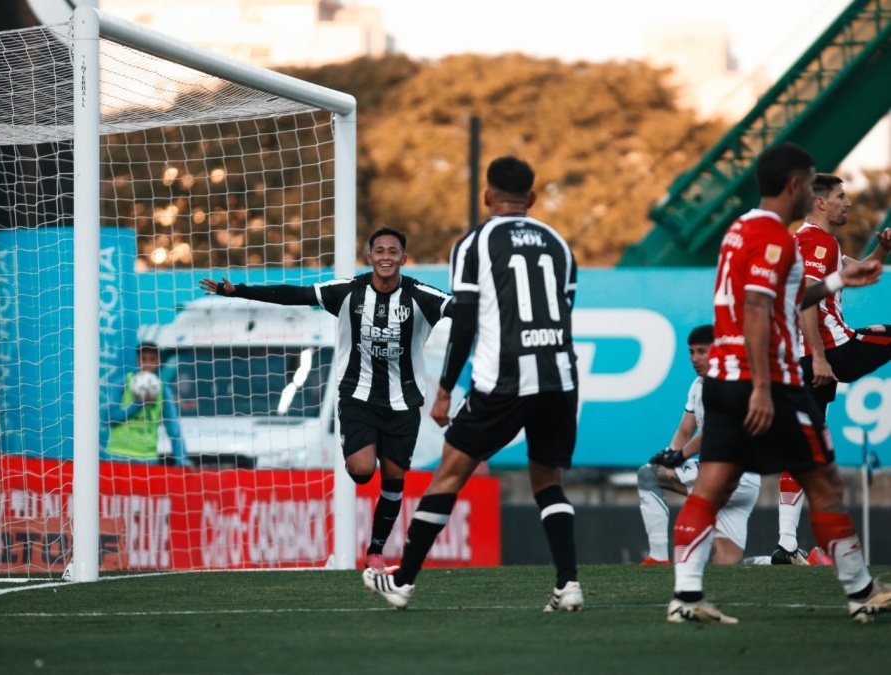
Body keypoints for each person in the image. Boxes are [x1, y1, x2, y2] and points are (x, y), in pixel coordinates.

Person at [667, 141, 890, 625]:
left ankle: (685, 599)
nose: (815, 192)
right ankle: (861, 590)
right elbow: (755, 307)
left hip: (724, 378)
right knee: (825, 482)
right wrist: (766, 388)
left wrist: (838, 283)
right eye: (811, 183)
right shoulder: (773, 236)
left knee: (711, 487)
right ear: (795, 185)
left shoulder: (744, 229)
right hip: (765, 378)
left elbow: (787, 292)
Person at [363, 156, 583, 612]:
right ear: (533, 198)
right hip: (560, 378)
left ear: (487, 196)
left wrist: (445, 388)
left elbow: (463, 320)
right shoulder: (559, 244)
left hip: (502, 381)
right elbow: (563, 312)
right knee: (548, 481)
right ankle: (568, 585)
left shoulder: (475, 243)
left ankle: (402, 582)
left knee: (449, 475)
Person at [200, 227, 452, 571]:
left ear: (404, 259)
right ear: (370, 257)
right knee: (362, 471)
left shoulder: (422, 296)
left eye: (393, 252)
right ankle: (368, 453)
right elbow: (295, 295)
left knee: (394, 482)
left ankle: (375, 551)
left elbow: (461, 309)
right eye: (380, 251)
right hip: (357, 397)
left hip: (404, 401)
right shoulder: (349, 291)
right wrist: (238, 291)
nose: (386, 257)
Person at [771, 173, 891, 565]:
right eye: (841, 196)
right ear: (820, 202)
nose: (848, 203)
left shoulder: (807, 243)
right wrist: (821, 357)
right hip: (830, 351)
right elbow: (806, 299)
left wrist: (881, 249)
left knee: (807, 446)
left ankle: (786, 544)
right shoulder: (816, 242)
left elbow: (864, 273)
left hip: (803, 358)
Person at [639, 325, 760, 566]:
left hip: (730, 474)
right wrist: (670, 454)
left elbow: (714, 432)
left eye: (702, 351)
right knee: (725, 567)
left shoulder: (728, 382)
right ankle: (785, 562)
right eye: (692, 352)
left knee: (648, 476)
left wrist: (680, 456)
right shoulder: (699, 385)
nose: (695, 358)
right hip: (745, 482)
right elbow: (686, 429)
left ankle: (658, 557)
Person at [101, 342, 191, 467]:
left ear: (158, 362)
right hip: (118, 455)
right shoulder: (122, 383)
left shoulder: (163, 390)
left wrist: (182, 459)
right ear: (138, 361)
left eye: (152, 359)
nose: (148, 363)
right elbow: (107, 419)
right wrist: (138, 404)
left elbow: (174, 428)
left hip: (147, 458)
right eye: (144, 359)